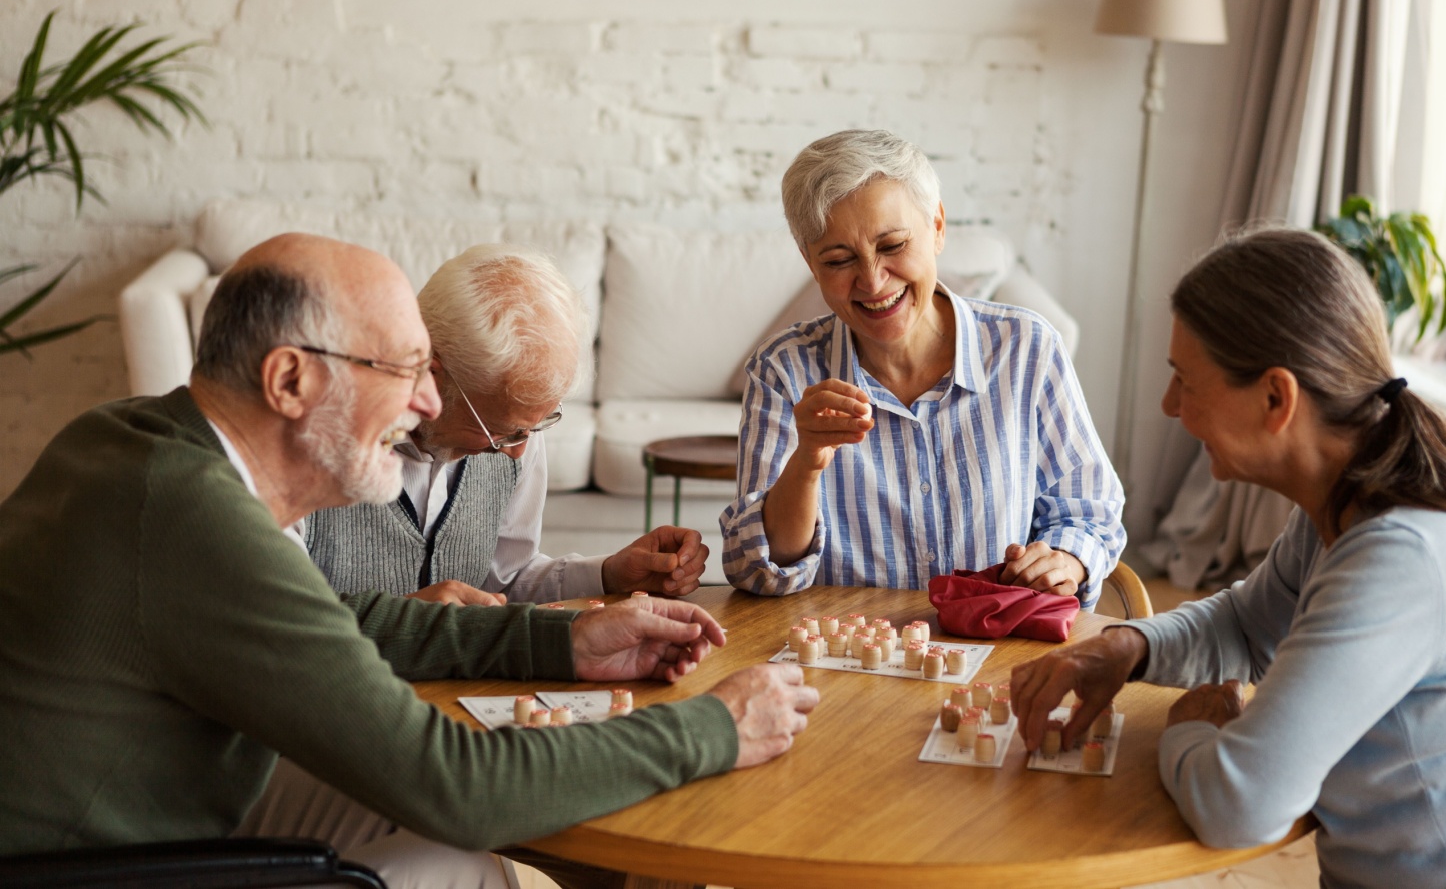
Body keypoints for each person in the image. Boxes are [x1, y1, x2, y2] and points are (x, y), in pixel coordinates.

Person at [0, 233, 818, 889]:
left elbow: (330, 620)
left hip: (170, 788)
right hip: (94, 861)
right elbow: (453, 784)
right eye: (400, 371)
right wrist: (712, 726)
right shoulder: (194, 517)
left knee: (463, 859)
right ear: (290, 379)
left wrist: (558, 641)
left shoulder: (134, 439)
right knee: (457, 858)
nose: (425, 403)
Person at [1009, 228, 1446, 888]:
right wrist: (1125, 647)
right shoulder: (1347, 501)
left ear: (1275, 398)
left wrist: (1189, 728)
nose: (1169, 406)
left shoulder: (1400, 557)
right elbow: (1244, 625)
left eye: (1185, 381)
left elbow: (1241, 806)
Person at [721, 128, 1125, 606]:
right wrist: (807, 462)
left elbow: (1089, 514)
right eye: (839, 259)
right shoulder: (782, 370)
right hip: (846, 664)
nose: (872, 282)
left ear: (937, 226)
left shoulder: (1027, 348)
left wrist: (1064, 559)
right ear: (811, 264)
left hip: (994, 652)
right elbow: (756, 569)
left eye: (891, 246)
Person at [301, 244, 706, 607]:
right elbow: (273, 623)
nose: (516, 451)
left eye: (536, 425)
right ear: (431, 373)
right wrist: (409, 616)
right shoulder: (310, 443)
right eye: (500, 431)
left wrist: (609, 575)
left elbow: (506, 580)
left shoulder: (519, 427)